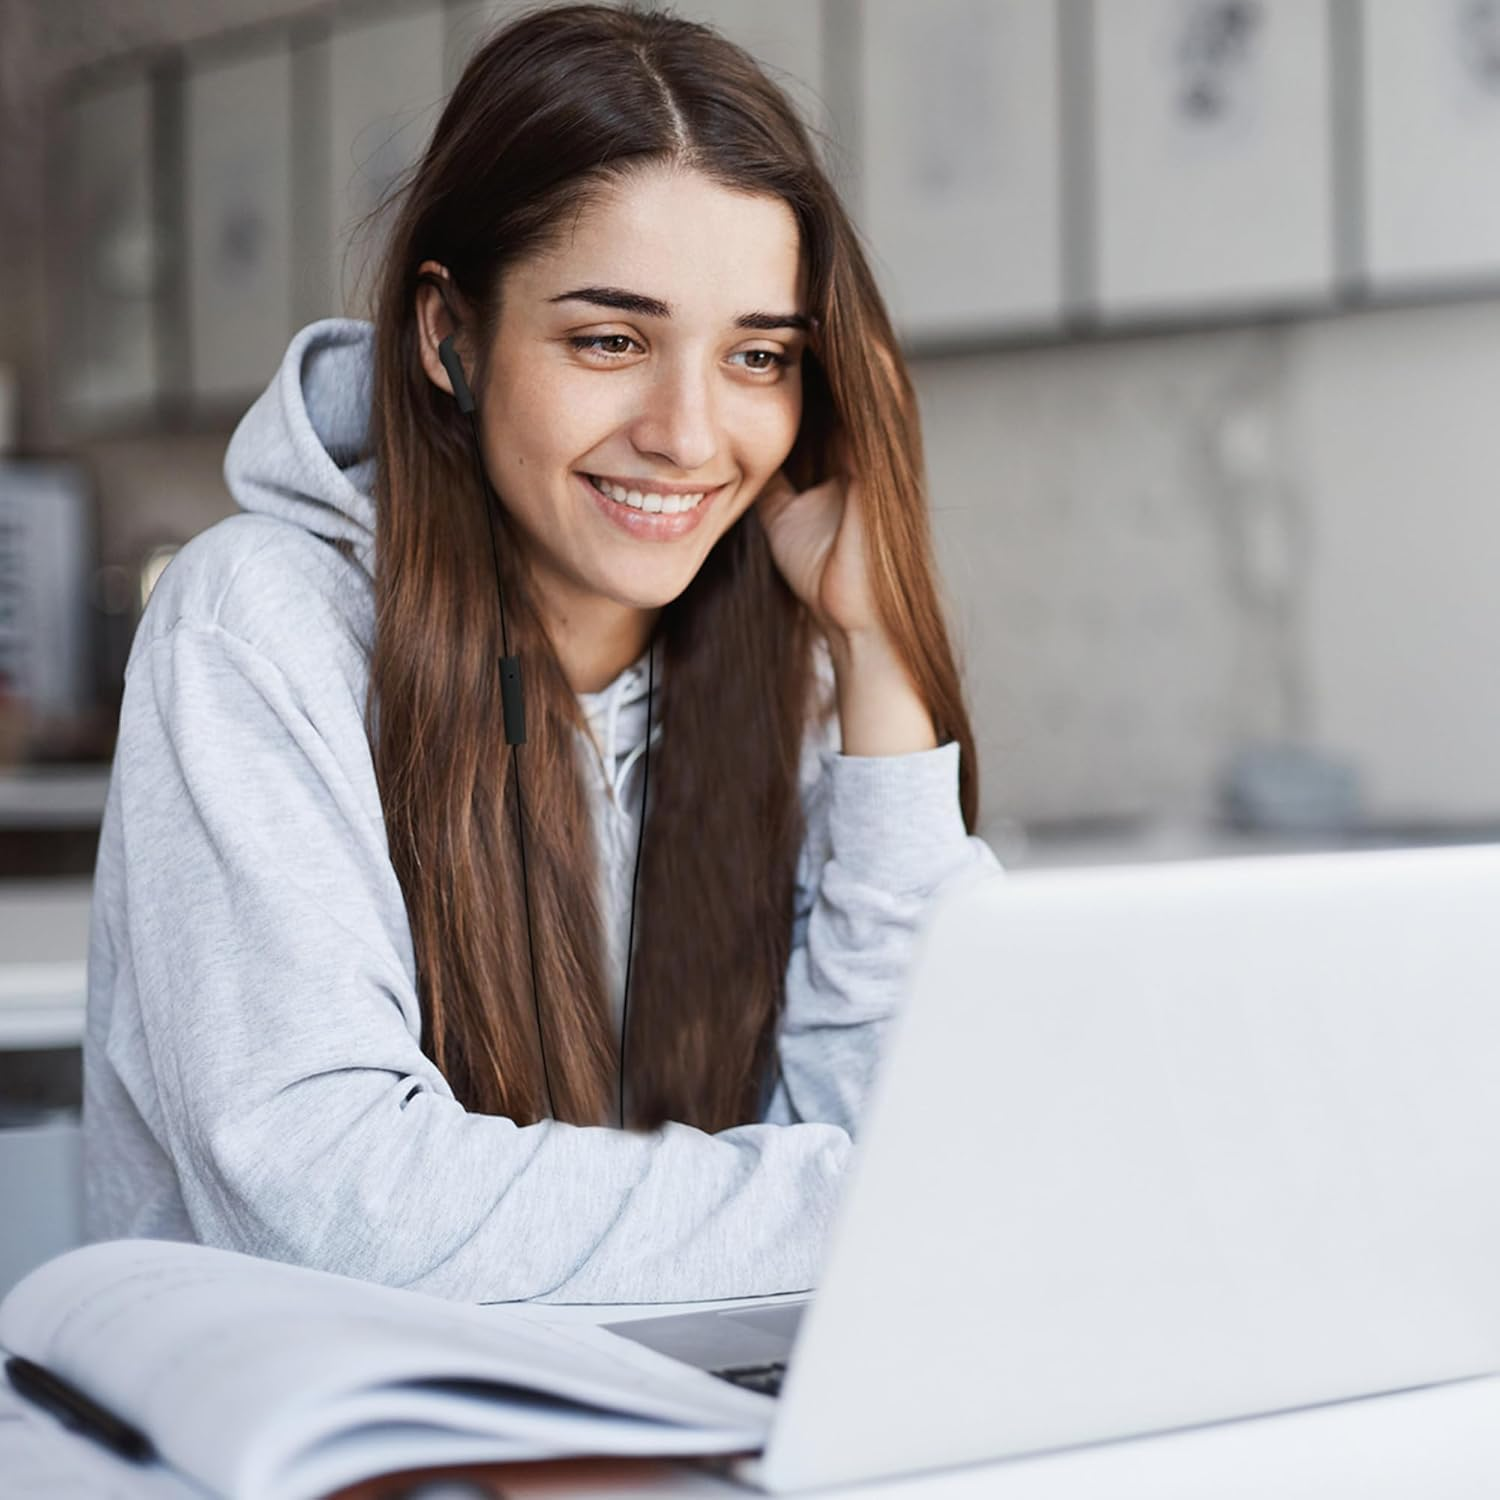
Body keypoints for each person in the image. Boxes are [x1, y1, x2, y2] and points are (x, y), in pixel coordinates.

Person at [82, 3, 1001, 1304]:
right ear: (449, 335)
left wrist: (878, 650)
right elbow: (331, 1199)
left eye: (757, 356)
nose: (689, 434)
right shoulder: (262, 624)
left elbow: (920, 1112)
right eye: (610, 340)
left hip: (672, 1424)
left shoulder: (780, 664)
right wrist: (892, 1202)